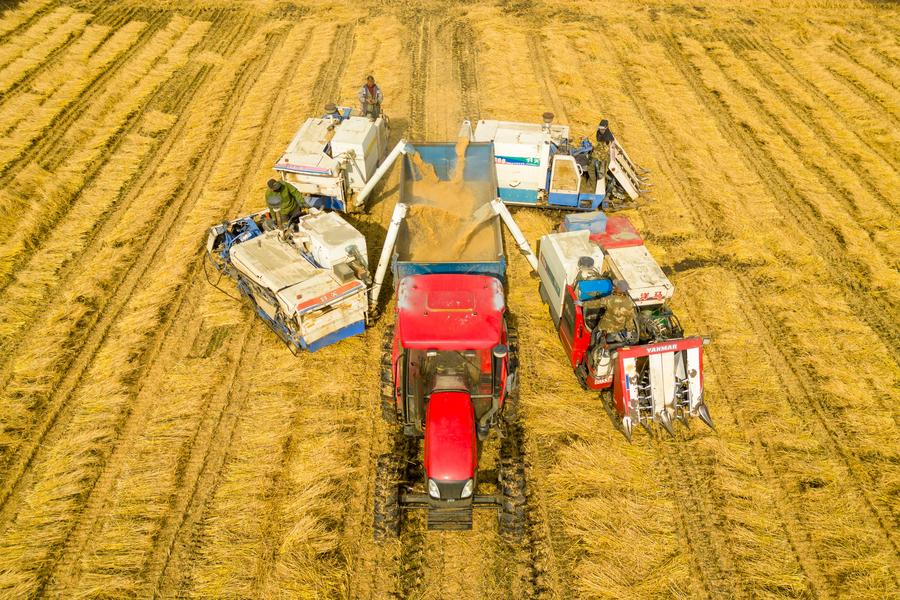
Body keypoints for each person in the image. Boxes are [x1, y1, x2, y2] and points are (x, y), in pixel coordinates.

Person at [595, 279, 635, 344]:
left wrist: (582, 304)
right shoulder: (629, 302)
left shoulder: (610, 299)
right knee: (610, 340)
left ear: (618, 289)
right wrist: (629, 332)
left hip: (604, 326)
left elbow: (595, 303)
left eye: (616, 286)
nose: (614, 287)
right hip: (617, 329)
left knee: (595, 334)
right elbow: (629, 318)